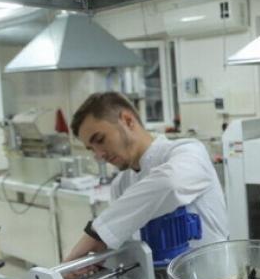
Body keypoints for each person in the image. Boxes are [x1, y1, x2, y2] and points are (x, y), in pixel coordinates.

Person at [64, 92, 229, 262]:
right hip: (158, 278)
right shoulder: (120, 185)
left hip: (213, 276)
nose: (99, 155)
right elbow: (126, 249)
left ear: (128, 120)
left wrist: (97, 232)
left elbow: (170, 184)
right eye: (91, 149)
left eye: (100, 140)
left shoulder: (189, 152)